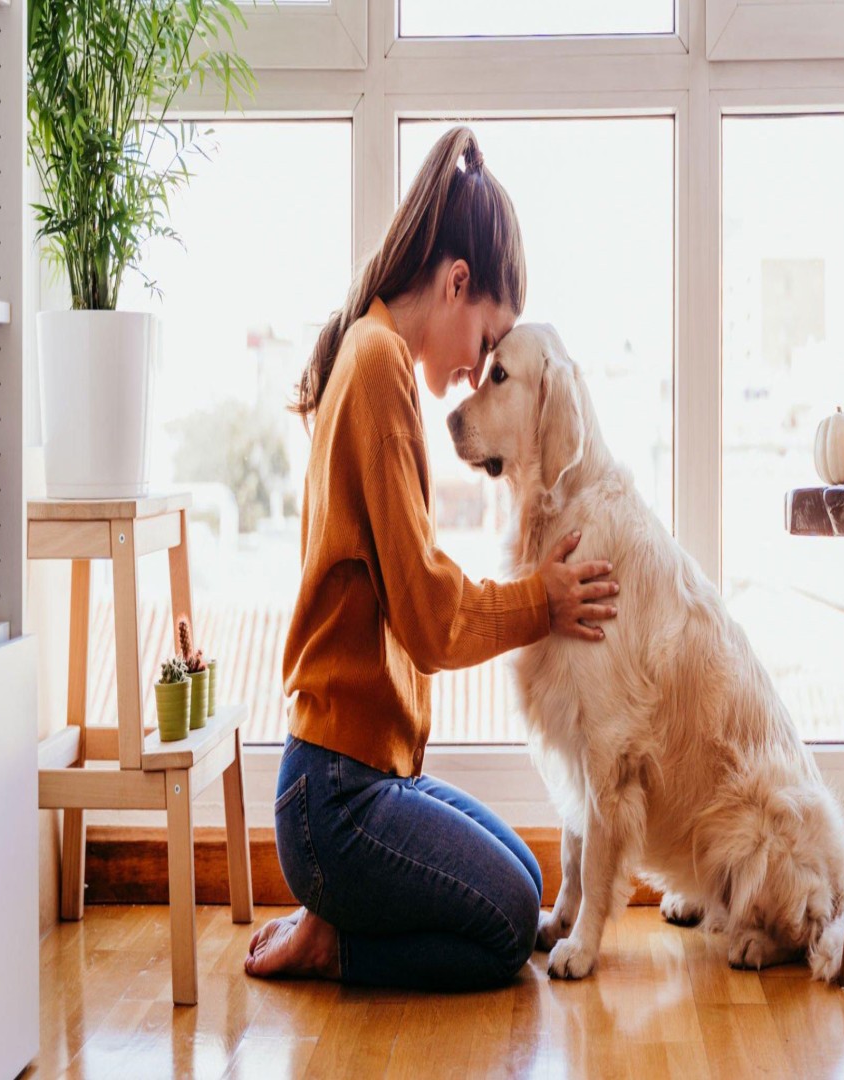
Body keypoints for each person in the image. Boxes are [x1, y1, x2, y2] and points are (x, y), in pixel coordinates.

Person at [244, 126, 619, 991]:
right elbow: (428, 620)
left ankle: (335, 911)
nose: (474, 369)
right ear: (457, 282)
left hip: (362, 779)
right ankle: (337, 938)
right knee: (501, 933)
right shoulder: (377, 368)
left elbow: (410, 593)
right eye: (486, 341)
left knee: (525, 888)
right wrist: (544, 600)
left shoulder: (374, 356)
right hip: (335, 799)